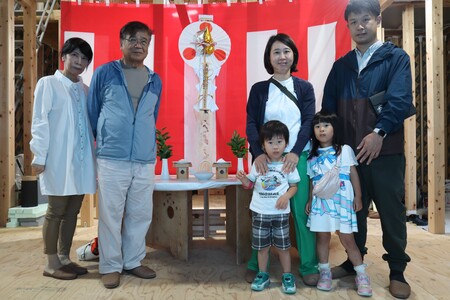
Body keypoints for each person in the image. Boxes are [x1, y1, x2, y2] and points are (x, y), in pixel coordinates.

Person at [321, 0, 412, 298]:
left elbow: (399, 101)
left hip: (385, 152)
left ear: (377, 20)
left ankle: (397, 270)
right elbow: (328, 111)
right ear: (347, 26)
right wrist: (333, 149)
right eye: (354, 21)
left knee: (391, 211)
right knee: (352, 212)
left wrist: (379, 133)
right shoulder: (341, 67)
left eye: (365, 19)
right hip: (348, 156)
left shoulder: (395, 59)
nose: (360, 26)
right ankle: (353, 261)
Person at [88, 21, 162, 289]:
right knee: (110, 214)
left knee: (140, 213)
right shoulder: (105, 73)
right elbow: (93, 112)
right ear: (121, 42)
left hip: (143, 160)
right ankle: (109, 266)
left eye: (144, 40)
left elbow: (151, 117)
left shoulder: (155, 79)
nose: (138, 44)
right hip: (112, 158)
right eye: (132, 39)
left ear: (148, 46)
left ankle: (132, 261)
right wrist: (108, 137)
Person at [245, 33, 318, 286]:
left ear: (293, 55)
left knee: (300, 212)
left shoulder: (304, 88)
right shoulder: (259, 89)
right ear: (269, 57)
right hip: (266, 157)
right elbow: (252, 123)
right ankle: (256, 265)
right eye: (276, 52)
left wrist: (296, 152)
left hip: (297, 155)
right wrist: (258, 154)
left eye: (286, 51)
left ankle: (308, 265)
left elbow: (309, 121)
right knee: (262, 211)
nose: (282, 56)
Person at [30, 37, 96, 280]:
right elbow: (40, 121)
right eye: (75, 55)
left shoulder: (85, 90)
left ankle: (65, 258)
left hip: (81, 160)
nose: (79, 62)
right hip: (57, 158)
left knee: (72, 210)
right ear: (64, 57)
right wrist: (39, 155)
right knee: (56, 210)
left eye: (84, 58)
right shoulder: (48, 84)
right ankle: (51, 263)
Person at [305, 112, 372, 297]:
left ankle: (361, 274)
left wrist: (358, 197)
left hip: (342, 199)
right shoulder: (312, 155)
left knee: (347, 238)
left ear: (334, 129)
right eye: (317, 126)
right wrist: (311, 199)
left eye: (326, 125)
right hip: (321, 201)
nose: (321, 129)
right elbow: (313, 182)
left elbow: (353, 174)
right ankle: (325, 272)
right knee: (322, 237)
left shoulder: (345, 150)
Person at [237, 120, 300, 294]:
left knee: (283, 247)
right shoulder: (258, 164)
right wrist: (244, 180)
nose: (275, 146)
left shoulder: (288, 164)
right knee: (262, 248)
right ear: (263, 145)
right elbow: (249, 186)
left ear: (286, 143)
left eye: (279, 142)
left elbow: (294, 186)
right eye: (270, 142)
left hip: (280, 214)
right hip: (260, 213)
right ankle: (262, 274)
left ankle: (287, 275)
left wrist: (286, 196)